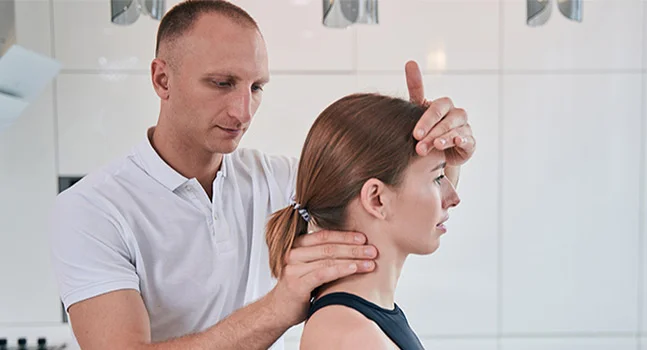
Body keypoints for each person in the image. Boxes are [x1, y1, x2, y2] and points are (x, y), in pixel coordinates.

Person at [48, 1, 475, 349]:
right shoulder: (91, 211)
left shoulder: (277, 181)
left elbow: (398, 206)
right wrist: (277, 308)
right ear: (162, 79)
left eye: (256, 88)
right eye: (221, 83)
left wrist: (433, 150)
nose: (243, 111)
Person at [265, 93, 463, 350]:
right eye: (438, 178)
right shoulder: (350, 336)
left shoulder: (363, 321)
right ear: (377, 199)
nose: (454, 197)